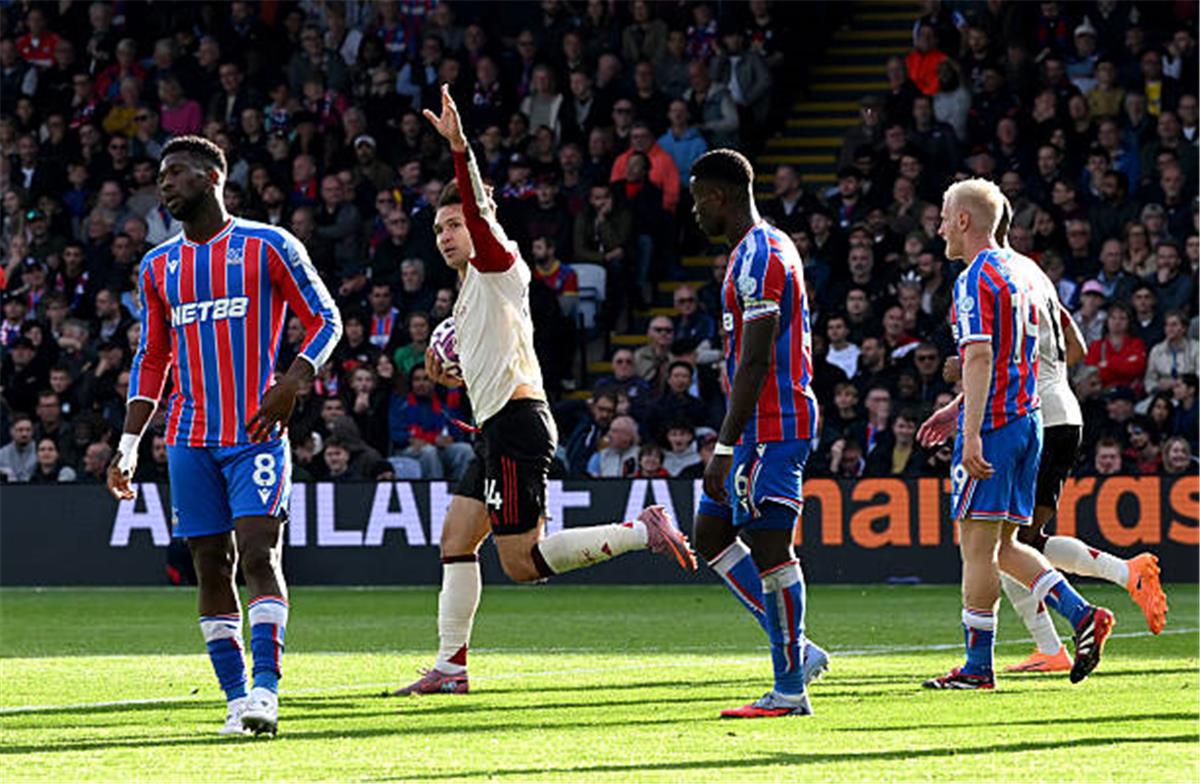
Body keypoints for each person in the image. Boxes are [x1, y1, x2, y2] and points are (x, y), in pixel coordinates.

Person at [392, 86, 696, 697]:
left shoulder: (499, 263)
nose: (446, 235)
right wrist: (457, 366)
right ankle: (451, 666)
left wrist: (461, 150)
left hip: (516, 423)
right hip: (496, 426)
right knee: (456, 540)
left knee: (521, 564)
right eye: (439, 228)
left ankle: (644, 529)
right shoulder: (470, 292)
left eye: (454, 224)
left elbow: (479, 211)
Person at [107, 135, 343, 736]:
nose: (165, 183)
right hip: (188, 438)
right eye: (161, 175)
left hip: (256, 432)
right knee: (210, 565)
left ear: (213, 178)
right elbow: (151, 357)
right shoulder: (158, 266)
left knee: (259, 554)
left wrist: (293, 379)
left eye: (177, 173)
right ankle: (236, 697)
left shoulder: (267, 246)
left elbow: (327, 319)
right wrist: (130, 445)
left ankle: (267, 689)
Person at [921, 198, 1167, 674]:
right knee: (1010, 543)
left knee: (983, 545)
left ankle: (982, 665)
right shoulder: (1032, 274)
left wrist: (969, 420)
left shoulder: (977, 278)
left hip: (1004, 418)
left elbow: (981, 356)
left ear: (969, 221)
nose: (940, 228)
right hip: (1043, 413)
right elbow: (1073, 347)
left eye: (946, 217)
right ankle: (1076, 621)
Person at [687, 149, 828, 719]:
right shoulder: (753, 252)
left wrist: (723, 447)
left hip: (775, 423)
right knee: (710, 533)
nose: (696, 213)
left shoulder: (760, 257)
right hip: (757, 426)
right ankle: (802, 650)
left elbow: (755, 361)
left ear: (719, 197)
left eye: (699, 202)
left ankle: (790, 688)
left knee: (772, 547)